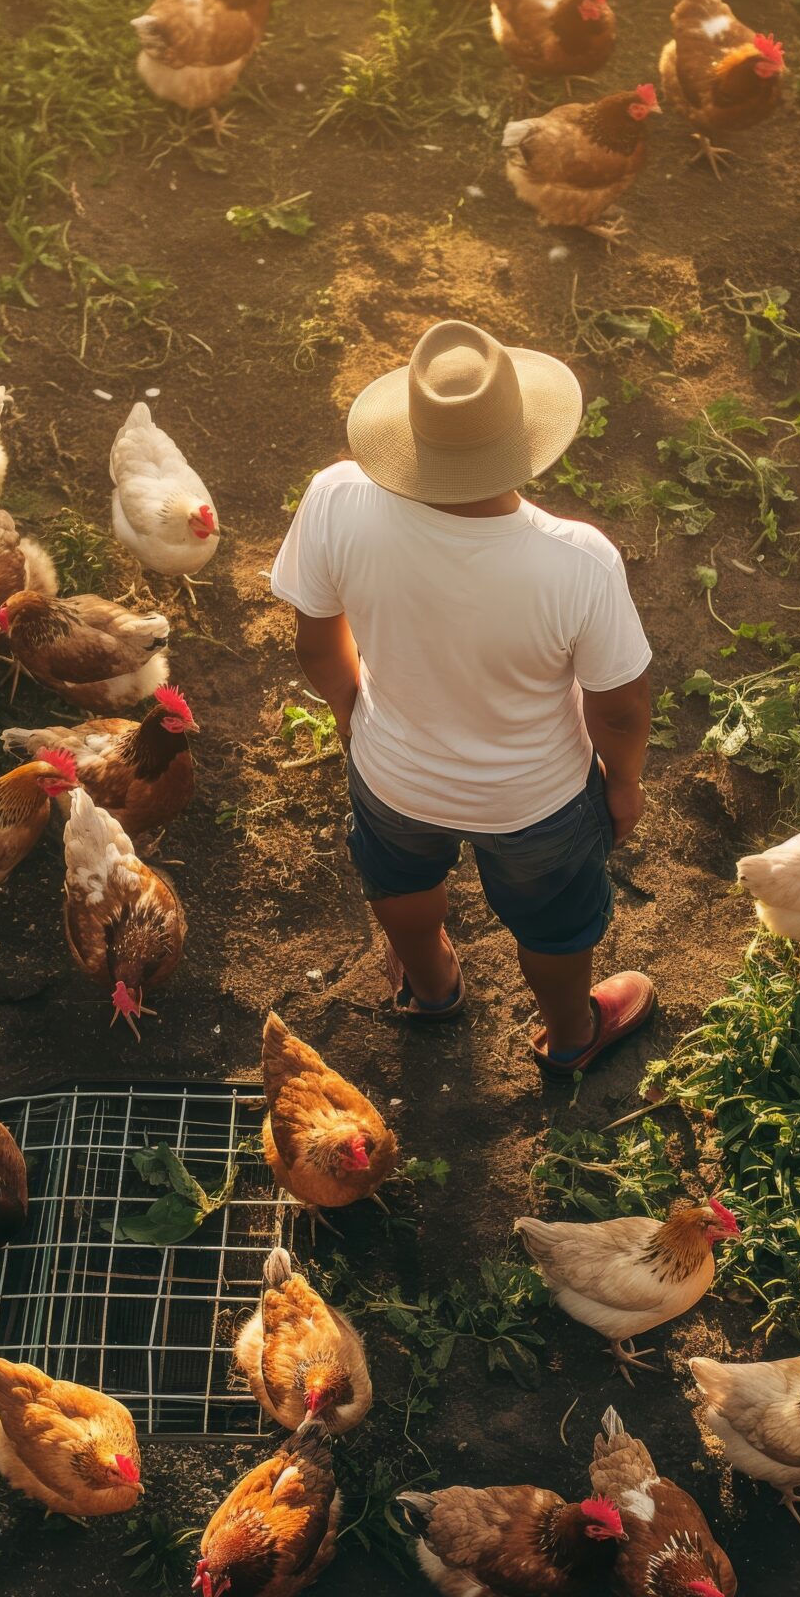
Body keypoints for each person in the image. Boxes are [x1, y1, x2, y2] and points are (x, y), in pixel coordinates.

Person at [271, 320, 656, 1075]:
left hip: (393, 779)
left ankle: (431, 983)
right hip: (537, 802)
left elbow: (317, 645)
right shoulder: (576, 562)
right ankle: (571, 1032)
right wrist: (626, 783)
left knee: (402, 882)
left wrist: (355, 718)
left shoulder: (336, 499)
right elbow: (616, 707)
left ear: (409, 436)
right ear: (522, 435)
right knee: (552, 923)